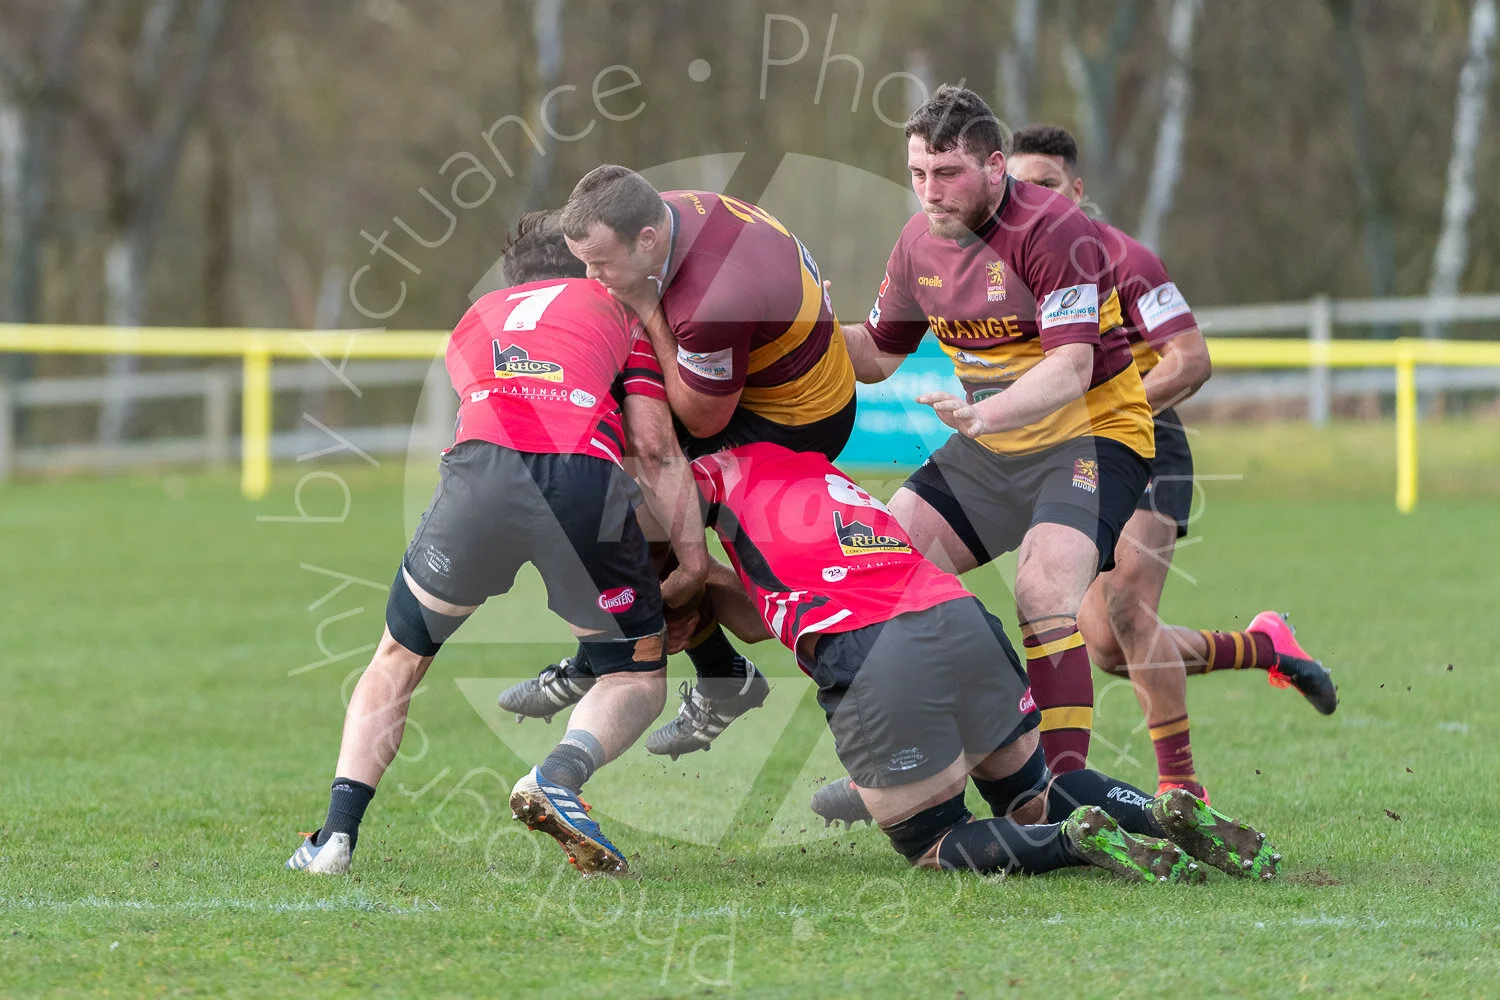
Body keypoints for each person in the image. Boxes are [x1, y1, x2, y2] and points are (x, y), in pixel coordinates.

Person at [286, 211, 710, 877]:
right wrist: (691, 556)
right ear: (585, 263)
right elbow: (653, 449)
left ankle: (334, 838)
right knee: (636, 672)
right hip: (577, 476)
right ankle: (558, 776)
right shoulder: (613, 304)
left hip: (476, 478)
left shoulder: (475, 316)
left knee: (397, 656)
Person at [685, 442, 1280, 882]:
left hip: (875, 650)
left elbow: (672, 558)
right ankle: (1158, 812)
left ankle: (1073, 841)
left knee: (933, 838)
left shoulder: (702, 475)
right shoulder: (811, 466)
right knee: (1033, 793)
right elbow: (763, 612)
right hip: (962, 620)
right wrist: (715, 584)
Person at [1007, 124, 1337, 800]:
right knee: (1107, 647)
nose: (1030, 198)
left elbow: (1193, 360)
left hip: (1144, 443)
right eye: (1018, 187)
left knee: (1129, 614)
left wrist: (1105, 404)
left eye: (1044, 184)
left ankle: (1182, 793)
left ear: (1077, 190)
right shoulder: (1012, 273)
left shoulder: (1125, 259)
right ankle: (1266, 646)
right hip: (1069, 456)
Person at [836, 85, 1152, 775]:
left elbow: (1071, 367)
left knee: (1042, 592)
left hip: (1095, 436)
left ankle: (1065, 792)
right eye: (918, 173)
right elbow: (877, 357)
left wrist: (984, 413)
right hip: (994, 444)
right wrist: (798, 325)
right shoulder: (917, 242)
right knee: (887, 563)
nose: (930, 191)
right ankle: (926, 758)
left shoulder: (1054, 230)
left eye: (947, 173)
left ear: (996, 167)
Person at [500, 165, 859, 759]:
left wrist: (643, 305)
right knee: (624, 518)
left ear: (644, 242)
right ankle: (713, 675)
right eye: (584, 267)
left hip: (792, 423)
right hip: (772, 385)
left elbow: (697, 423)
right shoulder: (647, 218)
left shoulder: (701, 300)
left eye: (599, 269)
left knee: (619, 519)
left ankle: (612, 660)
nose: (597, 280)